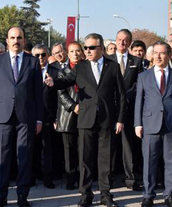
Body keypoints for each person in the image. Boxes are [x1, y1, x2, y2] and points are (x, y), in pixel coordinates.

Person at [45, 33, 126, 207]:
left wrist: (120, 119)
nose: (87, 51)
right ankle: (85, 194)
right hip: (86, 118)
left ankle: (105, 194)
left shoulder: (112, 67)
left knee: (105, 159)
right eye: (86, 47)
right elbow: (65, 81)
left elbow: (120, 95)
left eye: (91, 48)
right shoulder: (80, 67)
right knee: (85, 159)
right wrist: (53, 82)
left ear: (101, 48)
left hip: (107, 119)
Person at [0, 27, 43, 207]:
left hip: (25, 117)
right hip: (3, 116)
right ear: (7, 40)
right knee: (2, 158)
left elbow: (37, 93)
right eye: (12, 37)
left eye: (19, 37)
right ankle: (1, 196)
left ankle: (22, 196)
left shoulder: (33, 62)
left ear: (24, 40)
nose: (16, 41)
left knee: (24, 158)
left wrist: (39, 119)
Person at [134, 41, 172, 207]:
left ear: (169, 55)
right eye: (155, 52)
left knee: (171, 161)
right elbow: (139, 102)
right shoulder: (144, 76)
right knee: (150, 161)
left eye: (162, 53)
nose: (158, 56)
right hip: (150, 124)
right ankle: (148, 195)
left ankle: (169, 195)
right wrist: (138, 124)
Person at [108, 29, 144, 191]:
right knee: (108, 145)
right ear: (115, 40)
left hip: (128, 109)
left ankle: (130, 179)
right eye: (119, 39)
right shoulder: (106, 59)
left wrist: (126, 96)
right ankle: (108, 179)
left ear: (129, 43)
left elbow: (139, 83)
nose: (122, 43)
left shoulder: (136, 61)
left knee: (128, 146)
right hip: (110, 109)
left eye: (125, 40)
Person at [55, 41, 85, 190]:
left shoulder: (88, 69)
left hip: (86, 114)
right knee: (69, 149)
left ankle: (83, 178)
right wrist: (74, 106)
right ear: (68, 53)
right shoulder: (62, 72)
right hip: (68, 115)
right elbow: (61, 93)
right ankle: (70, 178)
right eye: (72, 51)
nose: (75, 54)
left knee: (84, 149)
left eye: (78, 50)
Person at [31, 44, 59, 189]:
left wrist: (56, 117)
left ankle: (48, 177)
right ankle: (32, 176)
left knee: (48, 149)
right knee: (32, 149)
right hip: (31, 116)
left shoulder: (56, 71)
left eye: (43, 54)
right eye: (37, 55)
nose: (40, 58)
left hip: (48, 116)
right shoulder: (28, 70)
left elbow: (60, 97)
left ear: (48, 55)